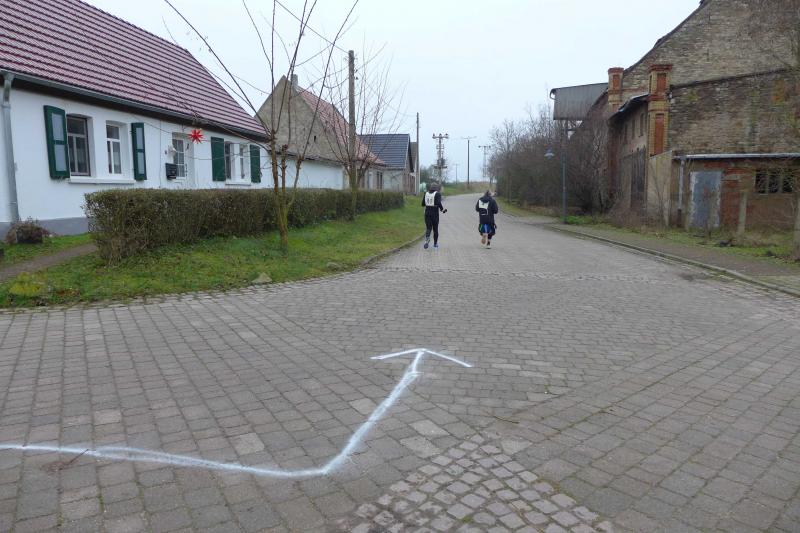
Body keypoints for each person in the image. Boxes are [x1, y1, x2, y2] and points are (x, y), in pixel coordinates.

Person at [422, 182, 447, 249]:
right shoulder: (437, 194)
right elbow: (438, 203)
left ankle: (427, 240)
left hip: (427, 212)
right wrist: (442, 209)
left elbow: (423, 204)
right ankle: (435, 244)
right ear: (436, 188)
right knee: (435, 229)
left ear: (430, 187)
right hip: (434, 213)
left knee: (428, 228)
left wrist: (428, 203)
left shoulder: (426, 193)